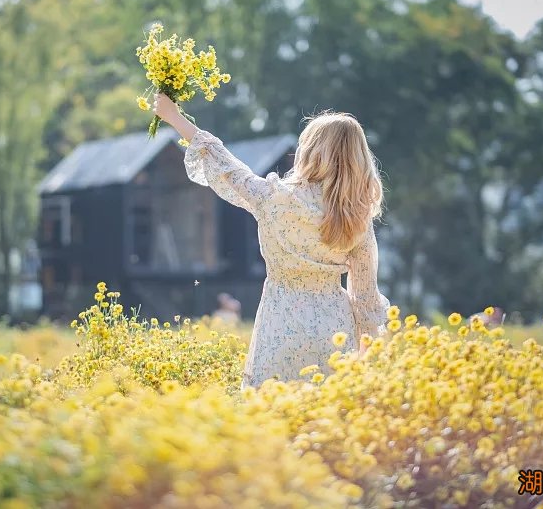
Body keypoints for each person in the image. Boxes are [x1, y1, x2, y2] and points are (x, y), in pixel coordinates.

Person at [153, 92, 390, 390]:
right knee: (326, 414)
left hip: (280, 324)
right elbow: (365, 296)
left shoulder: (275, 197)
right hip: (335, 331)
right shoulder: (356, 217)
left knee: (272, 410)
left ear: (309, 151)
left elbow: (225, 165)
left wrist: (174, 116)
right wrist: (367, 358)